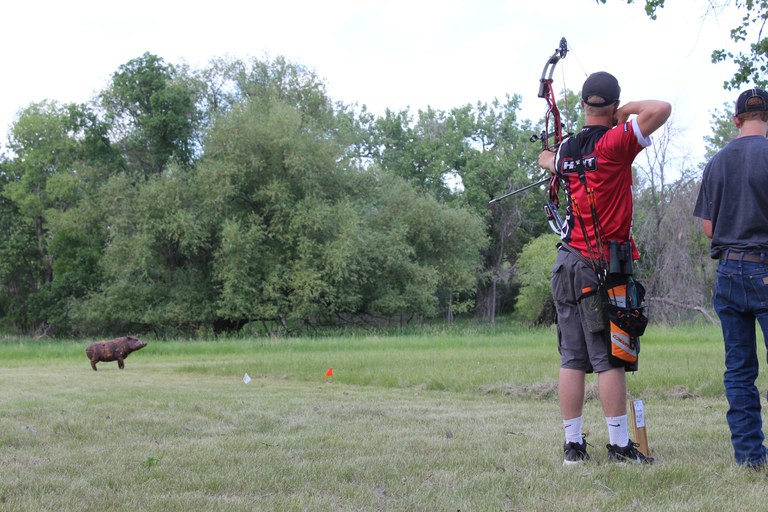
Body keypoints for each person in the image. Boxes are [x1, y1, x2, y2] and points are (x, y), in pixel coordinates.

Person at [538, 71, 671, 465]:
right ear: (612, 106)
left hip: (566, 263)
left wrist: (555, 162)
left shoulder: (565, 150)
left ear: (582, 104)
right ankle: (617, 445)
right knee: (610, 357)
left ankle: (573, 448)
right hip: (601, 268)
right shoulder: (616, 142)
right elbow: (660, 109)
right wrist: (620, 113)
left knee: (572, 358)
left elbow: (546, 158)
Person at [693, 88, 768, 469]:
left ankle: (749, 456)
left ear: (737, 119)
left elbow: (708, 228)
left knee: (739, 370)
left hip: (729, 270)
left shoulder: (717, 161)